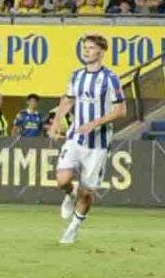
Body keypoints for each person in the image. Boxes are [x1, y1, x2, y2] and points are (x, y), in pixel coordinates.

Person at [51, 33, 127, 246]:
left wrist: (95, 123)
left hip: (98, 144)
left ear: (101, 52)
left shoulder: (111, 78)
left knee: (87, 192)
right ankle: (69, 195)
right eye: (84, 47)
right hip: (75, 137)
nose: (86, 51)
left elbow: (121, 110)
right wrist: (57, 121)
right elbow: (67, 100)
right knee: (62, 180)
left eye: (91, 47)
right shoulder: (76, 75)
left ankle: (73, 229)